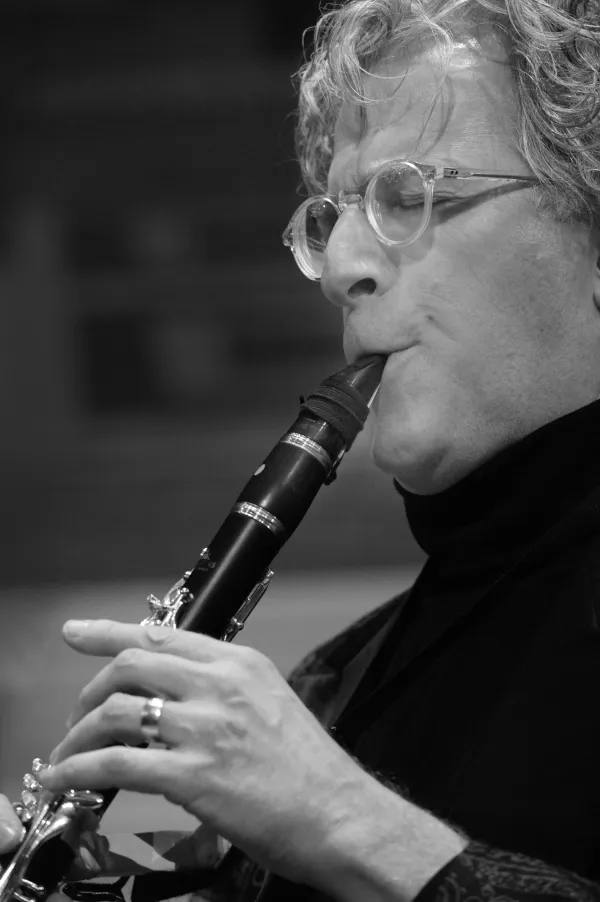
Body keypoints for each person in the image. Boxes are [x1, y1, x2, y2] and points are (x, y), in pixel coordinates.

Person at [2, 0, 600, 899]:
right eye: (336, 214)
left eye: (408, 195)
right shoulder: (336, 682)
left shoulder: (312, 745)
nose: (340, 266)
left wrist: (342, 822)